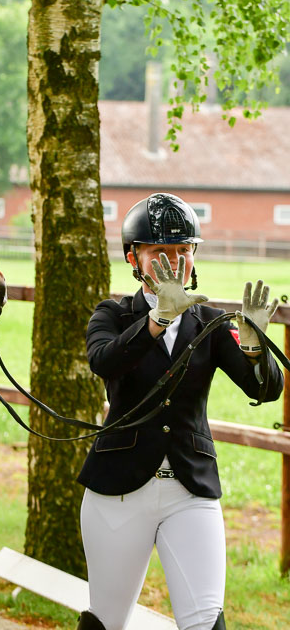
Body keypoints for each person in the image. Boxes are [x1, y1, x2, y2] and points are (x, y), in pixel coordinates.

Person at [76, 192, 284, 630]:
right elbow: (105, 361)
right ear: (134, 257)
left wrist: (253, 349)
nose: (174, 263)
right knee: (107, 621)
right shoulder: (112, 314)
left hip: (190, 491)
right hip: (118, 490)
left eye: (182, 252)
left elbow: (265, 389)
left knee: (207, 620)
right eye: (160, 253)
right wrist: (156, 323)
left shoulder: (210, 322)